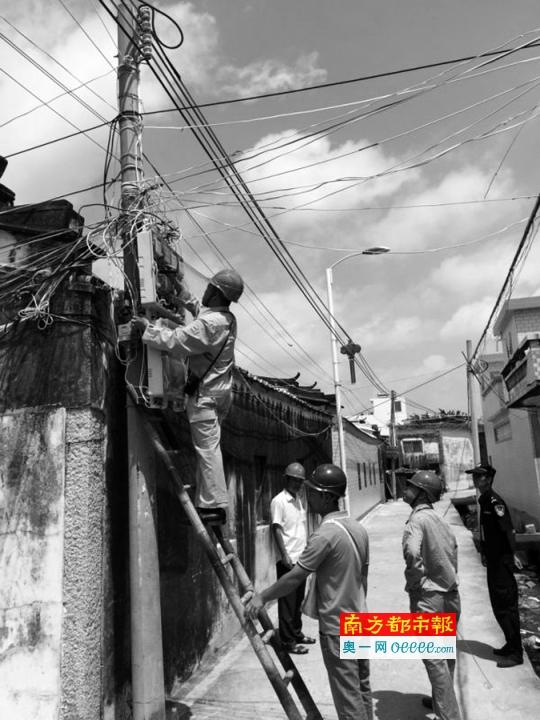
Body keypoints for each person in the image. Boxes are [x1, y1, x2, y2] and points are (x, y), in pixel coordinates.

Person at [245, 464, 372, 720]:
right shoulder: (358, 529)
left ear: (326, 496)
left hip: (338, 627)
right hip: (360, 621)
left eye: (312, 491)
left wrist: (262, 597)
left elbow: (294, 578)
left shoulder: (325, 535)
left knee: (349, 701)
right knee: (362, 690)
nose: (307, 495)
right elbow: (363, 577)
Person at [132, 268, 244, 524]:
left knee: (207, 450)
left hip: (205, 396)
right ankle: (208, 500)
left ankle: (215, 507)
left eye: (208, 287)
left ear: (216, 292)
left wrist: (147, 329)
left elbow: (177, 340)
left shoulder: (210, 324)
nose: (204, 290)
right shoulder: (226, 318)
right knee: (209, 447)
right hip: (220, 393)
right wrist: (179, 288)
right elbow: (199, 311)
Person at [402, 470, 462, 720]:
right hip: (450, 596)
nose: (405, 489)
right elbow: (453, 553)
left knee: (435, 661)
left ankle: (449, 716)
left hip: (429, 600)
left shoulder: (417, 521)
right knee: (445, 658)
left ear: (422, 494)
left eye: (410, 487)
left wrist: (415, 582)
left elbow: (412, 554)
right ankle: (441, 702)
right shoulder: (441, 521)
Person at [465, 463, 523, 668]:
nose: (475, 480)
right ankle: (510, 643)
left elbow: (509, 530)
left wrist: (514, 555)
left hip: (502, 561)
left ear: (488, 479)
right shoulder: (484, 500)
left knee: (506, 605)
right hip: (494, 561)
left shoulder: (494, 501)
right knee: (498, 604)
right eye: (474, 476)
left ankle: (516, 653)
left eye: (479, 477)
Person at [270, 462, 315, 654]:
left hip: (301, 558)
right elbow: (277, 529)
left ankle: (297, 633)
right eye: (294, 480)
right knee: (287, 603)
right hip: (288, 560)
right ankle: (288, 642)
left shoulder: (298, 500)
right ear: (286, 479)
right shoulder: (279, 501)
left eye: (300, 481)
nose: (297, 484)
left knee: (297, 601)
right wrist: (284, 555)